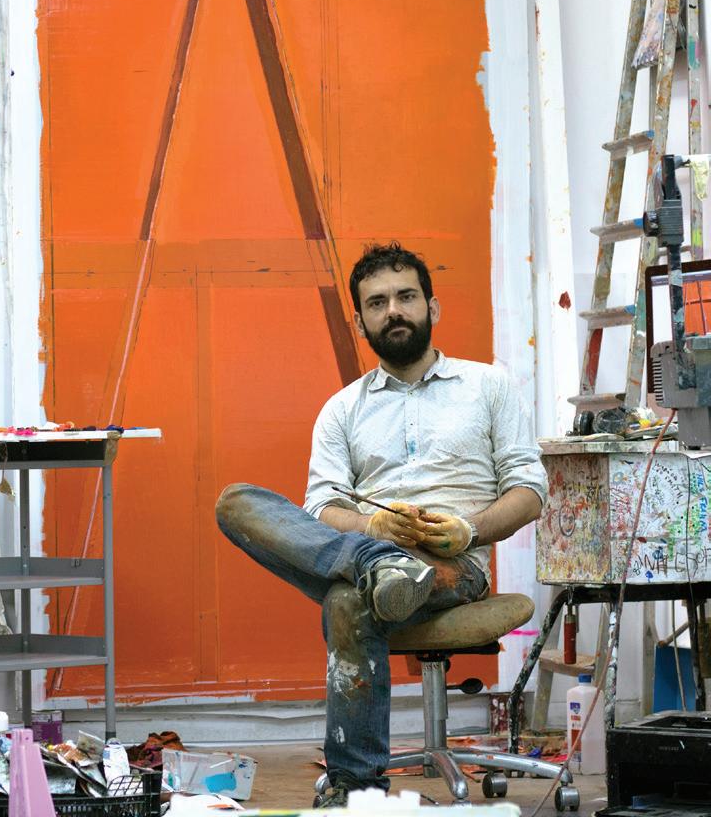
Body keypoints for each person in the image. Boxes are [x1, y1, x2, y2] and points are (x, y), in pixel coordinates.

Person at [216, 242, 547, 807]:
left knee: (345, 600)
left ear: (431, 308)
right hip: (368, 549)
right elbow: (322, 509)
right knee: (236, 503)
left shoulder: (488, 387)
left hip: (453, 568)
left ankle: (354, 788)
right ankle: (378, 565)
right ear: (361, 321)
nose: (393, 310)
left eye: (405, 297)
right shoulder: (342, 409)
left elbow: (530, 492)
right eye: (377, 303)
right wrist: (374, 528)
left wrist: (467, 530)